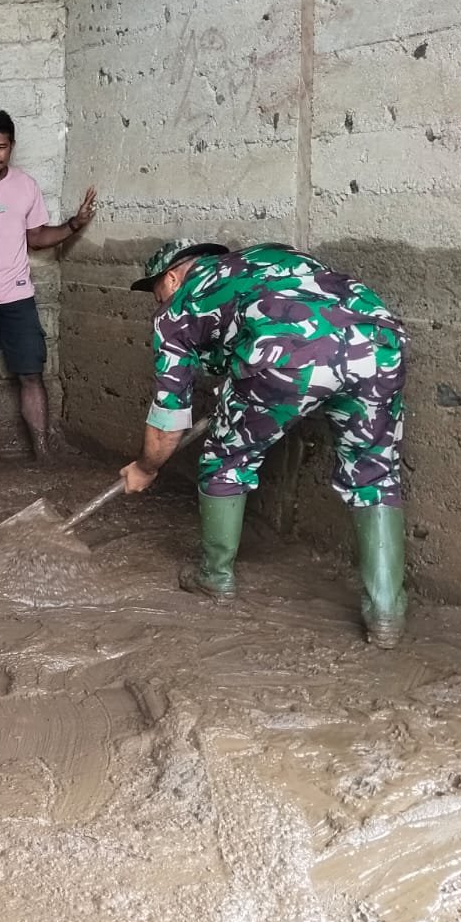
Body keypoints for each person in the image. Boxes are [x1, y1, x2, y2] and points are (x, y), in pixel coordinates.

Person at [119, 240, 408, 647]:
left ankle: (214, 577)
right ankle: (386, 611)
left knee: (225, 460)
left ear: (170, 278)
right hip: (379, 342)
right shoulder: (271, 256)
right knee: (374, 472)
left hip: (286, 355)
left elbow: (168, 421)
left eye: (156, 292)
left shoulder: (176, 309)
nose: (158, 302)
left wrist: (145, 468)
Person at [0, 109, 96, 460]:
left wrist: (74, 224)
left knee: (31, 374)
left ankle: (42, 451)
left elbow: (37, 237)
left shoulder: (25, 186)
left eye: (1, 147)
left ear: (12, 146)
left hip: (18, 297)